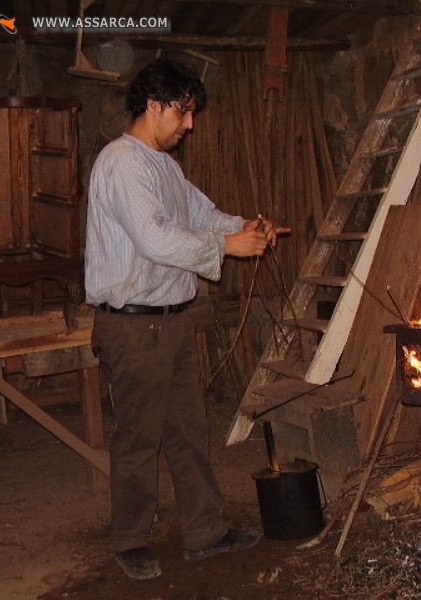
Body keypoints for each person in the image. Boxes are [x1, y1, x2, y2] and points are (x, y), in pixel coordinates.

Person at [85, 59, 289, 580]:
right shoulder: (121, 163)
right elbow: (157, 240)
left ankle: (205, 533)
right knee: (139, 438)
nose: (189, 124)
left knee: (188, 432)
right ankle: (130, 539)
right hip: (134, 327)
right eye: (183, 112)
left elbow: (200, 215)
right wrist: (227, 245)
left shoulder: (164, 167)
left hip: (171, 322)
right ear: (153, 106)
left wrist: (244, 225)